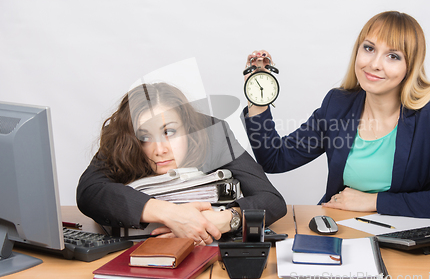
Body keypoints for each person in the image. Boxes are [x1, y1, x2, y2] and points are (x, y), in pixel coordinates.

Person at [243, 11, 430, 218]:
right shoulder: (338, 105)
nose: (375, 64)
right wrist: (258, 96)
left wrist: (375, 201)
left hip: (407, 235)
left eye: (393, 56)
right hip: (342, 226)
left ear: (410, 66)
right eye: (369, 48)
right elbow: (275, 158)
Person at [77, 82, 286, 245]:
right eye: (145, 137)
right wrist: (172, 214)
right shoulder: (122, 138)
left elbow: (271, 199)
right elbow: (89, 192)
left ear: (188, 127)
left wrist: (221, 220)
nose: (160, 150)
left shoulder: (212, 132)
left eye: (169, 132)